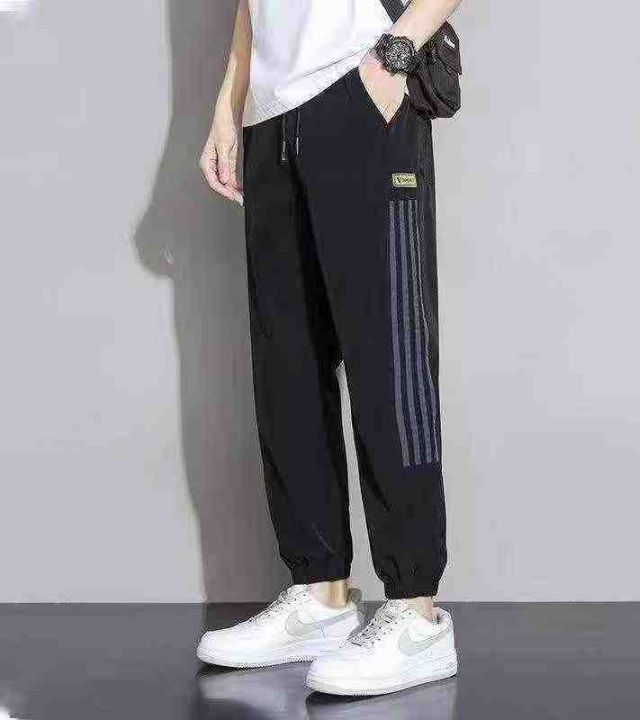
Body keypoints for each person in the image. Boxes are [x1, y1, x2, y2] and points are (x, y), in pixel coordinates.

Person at [195, 0, 462, 696]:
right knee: (288, 364)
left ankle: (416, 615)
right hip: (270, 114)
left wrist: (395, 56)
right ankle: (320, 597)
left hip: (360, 86)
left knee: (389, 358)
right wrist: (231, 101)